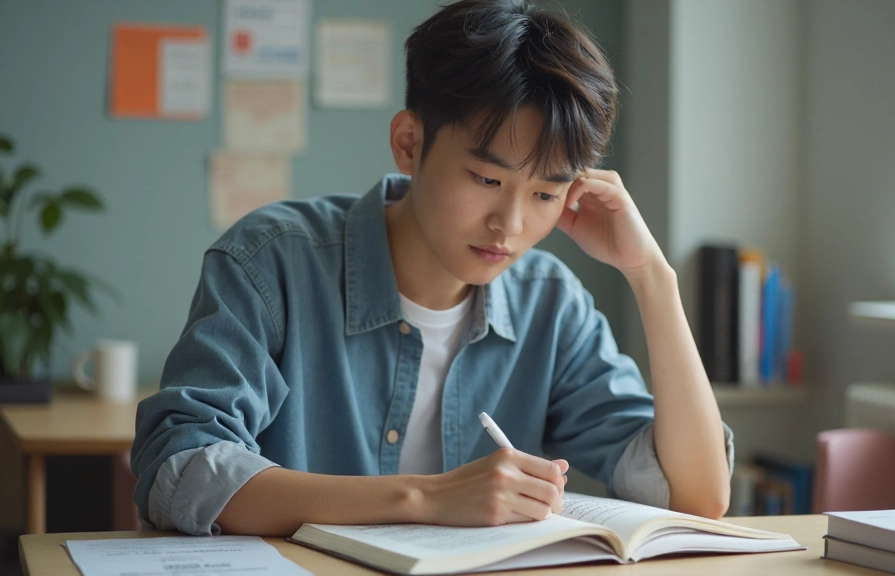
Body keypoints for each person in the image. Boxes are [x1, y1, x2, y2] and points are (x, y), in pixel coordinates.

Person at [130, 0, 733, 537]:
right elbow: (179, 469)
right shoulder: (274, 262)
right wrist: (427, 498)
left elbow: (698, 496)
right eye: (486, 179)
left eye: (546, 195)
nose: (511, 224)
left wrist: (653, 276)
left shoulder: (551, 305)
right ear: (409, 142)